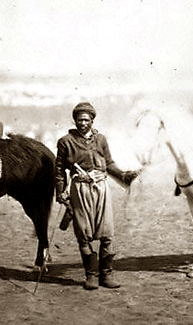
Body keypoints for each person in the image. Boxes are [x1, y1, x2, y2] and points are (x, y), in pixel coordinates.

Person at [55, 102, 138, 290]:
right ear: (74, 120)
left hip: (102, 188)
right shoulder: (65, 142)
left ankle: (106, 274)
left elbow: (108, 163)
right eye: (79, 119)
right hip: (80, 189)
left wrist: (123, 175)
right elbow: (59, 171)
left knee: (107, 233)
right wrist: (61, 192)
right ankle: (91, 275)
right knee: (83, 234)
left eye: (86, 119)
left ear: (92, 120)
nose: (82, 123)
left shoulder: (101, 139)